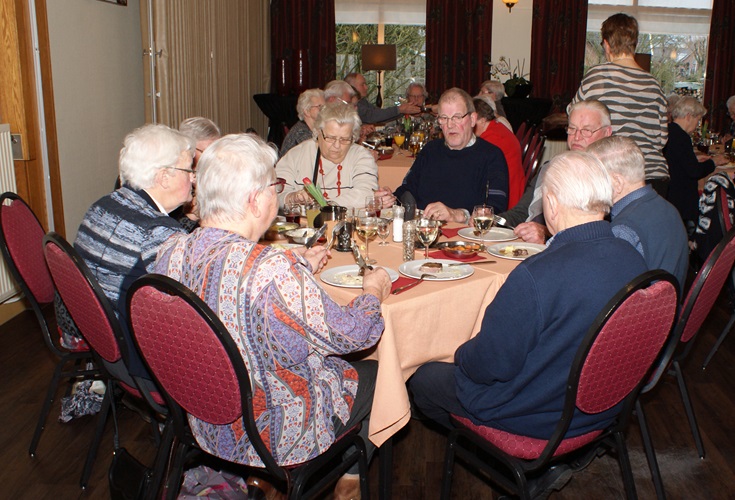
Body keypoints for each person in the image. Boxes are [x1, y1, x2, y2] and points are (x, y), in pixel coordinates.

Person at [155, 133, 391, 500]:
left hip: (201, 418)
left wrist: (296, 262)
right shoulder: (271, 272)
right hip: (274, 430)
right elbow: (356, 335)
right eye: (274, 186)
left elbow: (226, 278)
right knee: (382, 373)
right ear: (254, 200)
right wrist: (372, 291)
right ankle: (348, 474)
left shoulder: (169, 252)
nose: (276, 195)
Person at [408, 151, 647, 495]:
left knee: (424, 379)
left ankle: (512, 464)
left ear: (550, 203)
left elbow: (488, 366)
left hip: (536, 418)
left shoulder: (536, 275)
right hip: (604, 408)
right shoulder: (634, 259)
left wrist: (456, 352)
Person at [74, 123, 193, 378]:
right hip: (140, 362)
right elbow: (194, 309)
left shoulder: (103, 205)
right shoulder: (159, 233)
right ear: (164, 177)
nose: (193, 177)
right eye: (189, 170)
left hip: (102, 343)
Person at [570, 13, 669, 197]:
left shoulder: (596, 77)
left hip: (614, 177)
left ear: (606, 44)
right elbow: (662, 139)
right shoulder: (654, 85)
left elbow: (575, 116)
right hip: (653, 178)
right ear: (635, 44)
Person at [505, 99, 613, 244]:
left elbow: (593, 235)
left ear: (607, 133)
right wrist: (490, 220)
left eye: (586, 130)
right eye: (572, 129)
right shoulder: (550, 168)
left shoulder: (607, 180)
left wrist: (546, 234)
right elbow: (520, 213)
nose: (577, 137)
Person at [393, 88, 509, 221]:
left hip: (466, 237)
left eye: (457, 117)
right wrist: (389, 199)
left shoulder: (491, 156)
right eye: (444, 118)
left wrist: (457, 215)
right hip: (424, 233)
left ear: (472, 119)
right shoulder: (430, 150)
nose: (450, 125)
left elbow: (497, 210)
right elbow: (406, 190)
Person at [589, 136, 689, 289]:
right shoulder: (669, 209)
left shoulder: (623, 230)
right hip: (669, 306)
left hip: (642, 310)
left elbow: (606, 292)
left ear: (617, 183)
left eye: (592, 178)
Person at [276, 101, 381, 208]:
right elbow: (274, 194)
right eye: (330, 138)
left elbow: (366, 193)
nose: (337, 145)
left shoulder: (361, 156)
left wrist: (327, 207)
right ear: (317, 132)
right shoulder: (297, 155)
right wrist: (292, 198)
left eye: (344, 139)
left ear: (353, 137)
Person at [664, 97, 727, 233]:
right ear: (688, 116)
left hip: (671, 192)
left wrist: (695, 158)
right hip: (681, 199)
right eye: (698, 120)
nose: (698, 124)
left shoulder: (669, 131)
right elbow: (695, 172)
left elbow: (679, 161)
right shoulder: (682, 137)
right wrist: (713, 162)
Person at [474, 95, 524, 208]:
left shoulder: (492, 139)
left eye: (472, 120)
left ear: (482, 120)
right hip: (511, 186)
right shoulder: (496, 127)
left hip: (507, 196)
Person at [177, 117, 222, 231]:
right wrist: (192, 215)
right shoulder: (172, 178)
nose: (212, 158)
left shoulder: (218, 173)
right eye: (206, 152)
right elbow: (168, 238)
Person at [345, 72, 420, 124]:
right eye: (362, 84)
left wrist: (404, 111)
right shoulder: (350, 104)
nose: (366, 87)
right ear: (351, 87)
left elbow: (380, 116)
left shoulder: (362, 101)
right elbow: (371, 116)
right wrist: (400, 109)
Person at [280, 88, 325, 157]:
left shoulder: (315, 129)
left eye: (325, 106)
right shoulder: (300, 132)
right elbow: (318, 154)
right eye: (320, 106)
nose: (324, 109)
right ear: (306, 111)